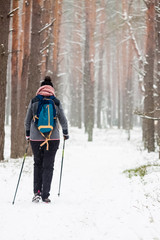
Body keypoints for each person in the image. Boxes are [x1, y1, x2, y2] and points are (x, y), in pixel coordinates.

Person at [25, 76, 69, 203]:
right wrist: (65, 133)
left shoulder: (34, 101)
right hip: (53, 138)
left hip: (35, 138)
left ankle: (37, 193)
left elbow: (27, 120)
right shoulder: (56, 101)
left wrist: (28, 135)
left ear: (40, 88)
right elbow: (63, 119)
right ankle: (45, 195)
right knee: (48, 165)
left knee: (37, 164)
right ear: (52, 89)